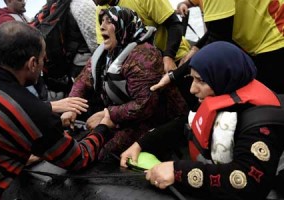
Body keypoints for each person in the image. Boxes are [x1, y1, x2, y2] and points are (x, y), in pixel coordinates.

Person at [121, 41, 284, 199]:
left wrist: (177, 171)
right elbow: (186, 124)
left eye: (201, 80)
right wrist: (141, 143)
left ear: (223, 76)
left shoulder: (259, 124)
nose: (192, 89)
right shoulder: (225, 91)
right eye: (192, 79)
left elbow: (248, 182)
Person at [0, 21, 114, 200]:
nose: (44, 64)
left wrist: (49, 108)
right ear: (32, 63)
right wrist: (103, 127)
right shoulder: (34, 115)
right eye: (43, 59)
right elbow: (78, 158)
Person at [61, 6, 188, 158]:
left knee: (103, 153)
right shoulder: (106, 53)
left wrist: (107, 114)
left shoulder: (145, 55)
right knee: (86, 142)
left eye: (109, 22)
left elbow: (144, 105)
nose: (102, 26)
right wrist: (72, 106)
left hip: (157, 121)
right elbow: (82, 80)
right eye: (101, 21)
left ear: (124, 25)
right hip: (126, 118)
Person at [162, 0, 284, 95]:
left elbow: (218, 36)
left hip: (274, 41)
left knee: (274, 102)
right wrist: (185, 3)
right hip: (258, 41)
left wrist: (175, 75)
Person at [93, 0, 191, 73]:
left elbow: (174, 24)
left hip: (173, 57)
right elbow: (104, 46)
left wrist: (169, 56)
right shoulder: (101, 10)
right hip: (141, 67)